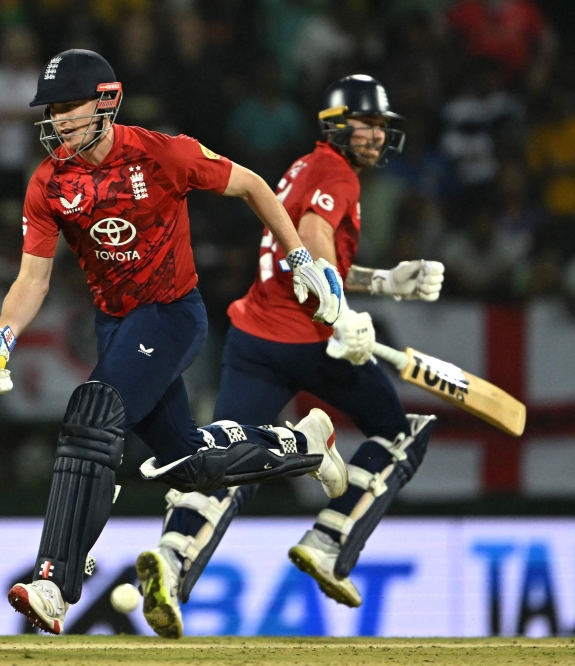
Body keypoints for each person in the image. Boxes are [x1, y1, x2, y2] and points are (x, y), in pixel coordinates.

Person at [0, 49, 346, 635]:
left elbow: (254, 186)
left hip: (170, 315)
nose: (59, 120)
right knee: (186, 464)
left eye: (70, 106)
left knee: (92, 413)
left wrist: (297, 258)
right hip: (117, 325)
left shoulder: (161, 152)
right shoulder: (48, 182)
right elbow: (32, 278)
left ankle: (55, 581)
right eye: (53, 109)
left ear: (106, 100)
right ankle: (305, 447)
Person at [133, 75, 447, 639]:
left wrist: (385, 282)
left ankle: (173, 558)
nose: (377, 135)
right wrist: (338, 314)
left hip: (253, 338)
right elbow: (313, 233)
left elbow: (300, 253)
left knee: (231, 456)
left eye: (381, 126)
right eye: (367, 123)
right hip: (307, 339)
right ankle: (326, 541)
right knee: (398, 431)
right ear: (338, 124)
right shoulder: (336, 172)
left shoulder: (305, 167)